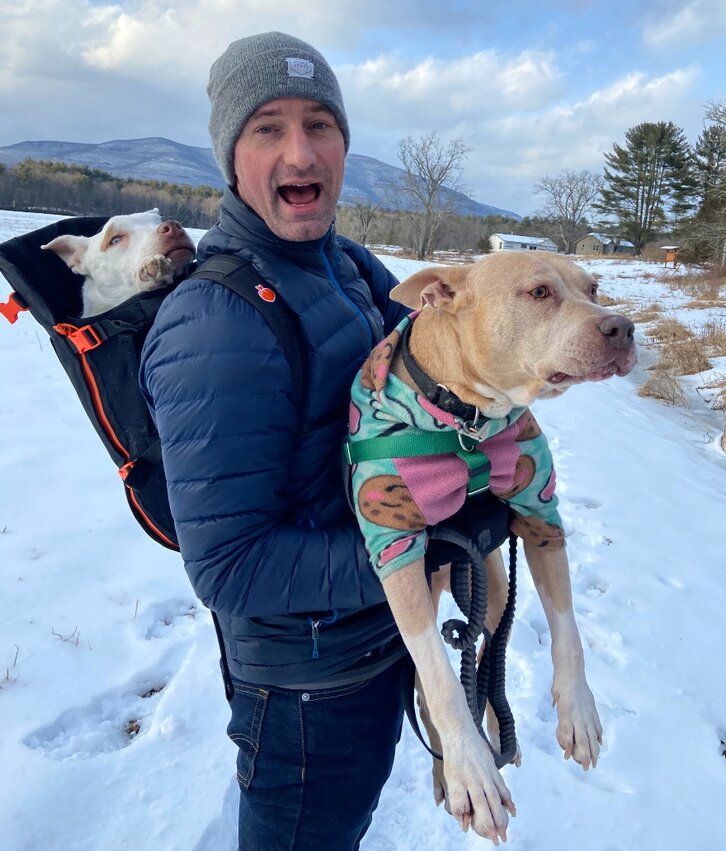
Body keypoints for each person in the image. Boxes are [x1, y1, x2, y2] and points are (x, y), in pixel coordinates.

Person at [140, 32, 411, 851]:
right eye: (268, 126)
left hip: (373, 644)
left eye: (320, 122)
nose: (301, 148)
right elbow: (226, 564)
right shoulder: (214, 320)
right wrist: (421, 556)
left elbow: (443, 373)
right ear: (232, 158)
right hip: (307, 695)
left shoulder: (349, 266)